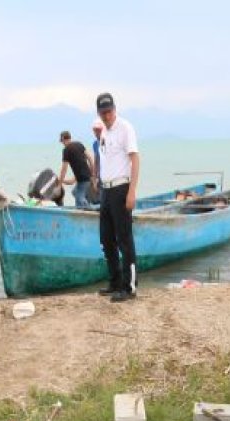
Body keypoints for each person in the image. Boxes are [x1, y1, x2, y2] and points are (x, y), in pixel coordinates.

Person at [94, 92, 140, 301]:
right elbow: (105, 157)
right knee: (106, 239)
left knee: (124, 239)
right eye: (103, 112)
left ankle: (129, 287)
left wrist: (132, 191)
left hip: (122, 189)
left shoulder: (125, 128)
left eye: (110, 111)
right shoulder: (104, 131)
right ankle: (115, 281)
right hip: (106, 190)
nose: (107, 116)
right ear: (99, 113)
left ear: (115, 109)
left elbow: (135, 159)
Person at [57, 130, 95, 208]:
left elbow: (64, 169)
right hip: (86, 177)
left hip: (83, 179)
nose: (62, 143)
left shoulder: (66, 150)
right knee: (74, 192)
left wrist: (59, 185)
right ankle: (84, 206)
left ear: (64, 138)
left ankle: (88, 211)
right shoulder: (79, 144)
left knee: (79, 197)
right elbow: (90, 158)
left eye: (61, 141)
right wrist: (92, 173)